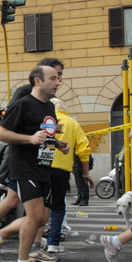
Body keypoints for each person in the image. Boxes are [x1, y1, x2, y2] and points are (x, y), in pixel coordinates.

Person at [0, 65, 70, 262]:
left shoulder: (50, 107)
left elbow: (42, 134)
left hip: (43, 166)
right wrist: (30, 139)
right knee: (33, 216)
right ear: (37, 81)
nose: (58, 82)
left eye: (58, 78)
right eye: (52, 78)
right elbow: (2, 134)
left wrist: (57, 143)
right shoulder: (22, 104)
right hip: (23, 167)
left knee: (41, 218)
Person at [46, 97, 94, 253]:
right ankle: (53, 243)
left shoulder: (44, 121)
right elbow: (84, 150)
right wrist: (86, 174)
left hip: (40, 168)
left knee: (41, 206)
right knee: (58, 206)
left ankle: (35, 241)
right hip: (61, 169)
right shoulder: (72, 123)